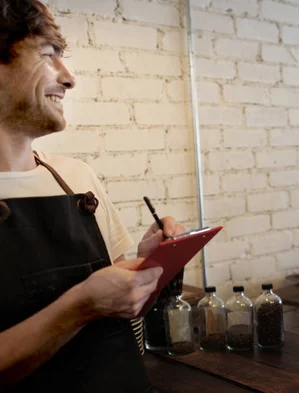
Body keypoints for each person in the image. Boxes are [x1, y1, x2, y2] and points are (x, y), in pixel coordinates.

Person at [0, 1, 185, 391]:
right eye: (49, 54)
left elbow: (125, 310)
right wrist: (79, 307)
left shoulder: (77, 178)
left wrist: (153, 264)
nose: (69, 79)